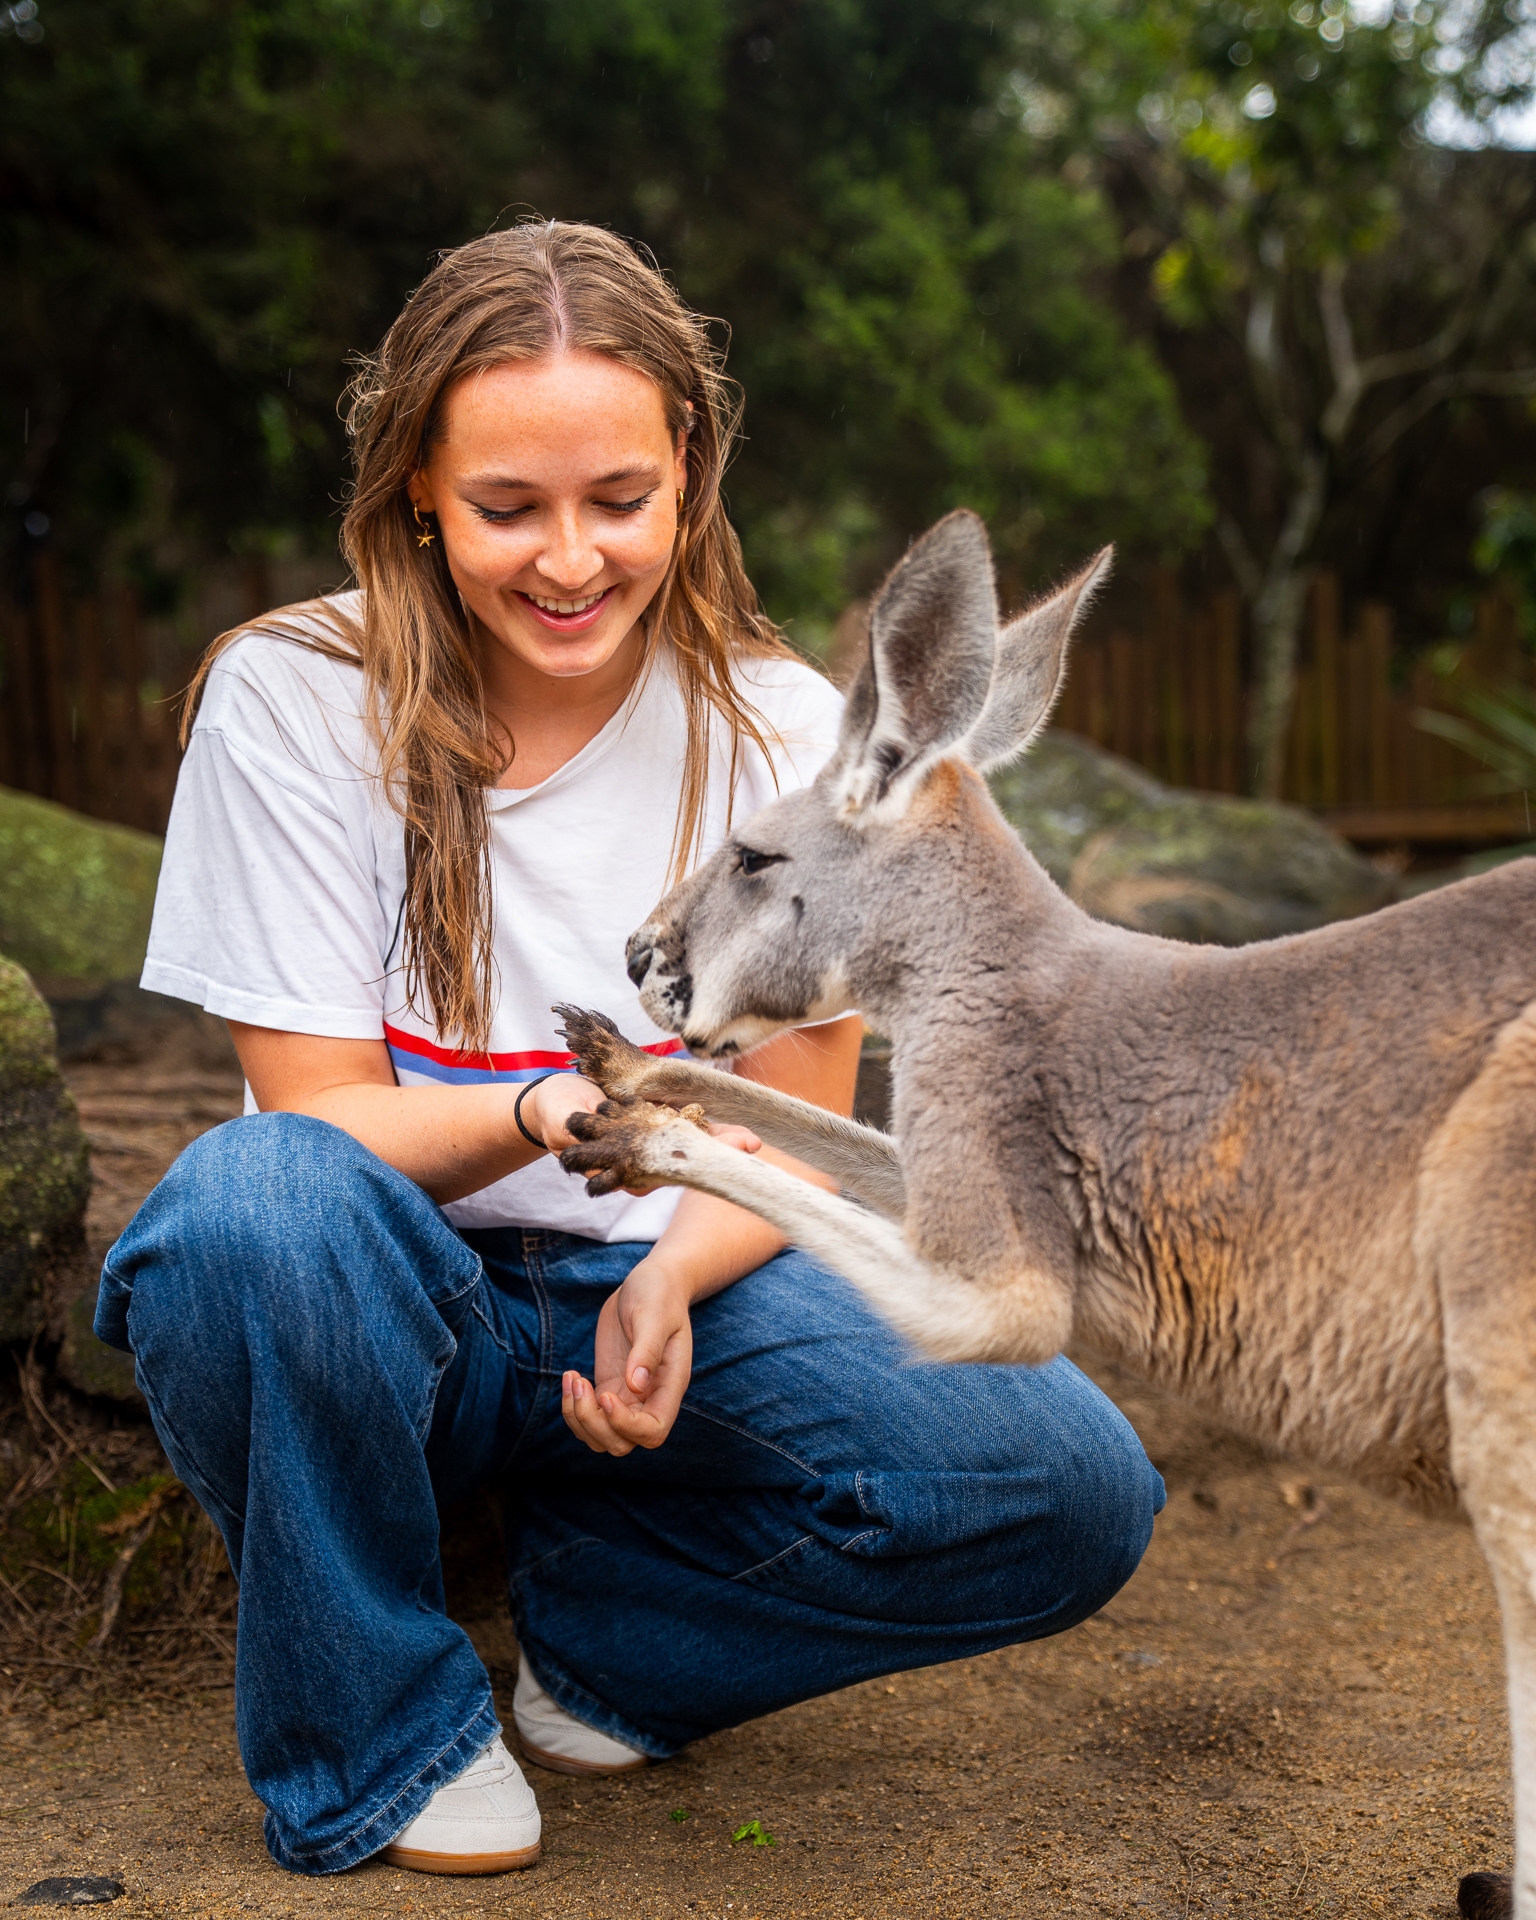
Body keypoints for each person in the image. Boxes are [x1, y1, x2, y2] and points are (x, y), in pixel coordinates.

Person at [96, 220, 1164, 1880]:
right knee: (243, 1213)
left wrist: (666, 1279)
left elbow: (791, 1126)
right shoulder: (289, 698)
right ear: (417, 498)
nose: (571, 560)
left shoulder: (785, 726)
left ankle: (613, 1633)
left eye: (618, 501)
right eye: (508, 509)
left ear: (690, 473)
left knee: (1067, 1483)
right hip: (383, 1293)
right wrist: (552, 1113)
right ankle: (380, 1732)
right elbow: (312, 1129)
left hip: (667, 1298)